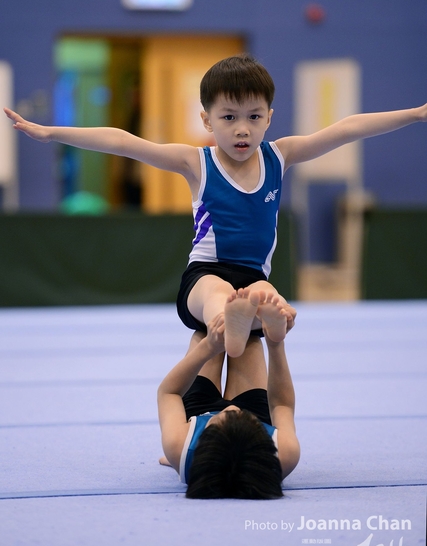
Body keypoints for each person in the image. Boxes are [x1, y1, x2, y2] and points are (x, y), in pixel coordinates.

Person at [5, 55, 427, 356]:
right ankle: (227, 321)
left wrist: (416, 113)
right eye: (229, 117)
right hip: (204, 276)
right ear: (206, 119)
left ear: (269, 117)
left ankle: (261, 320)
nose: (243, 129)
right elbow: (122, 141)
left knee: (265, 295)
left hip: (254, 276)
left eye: (254, 117)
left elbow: (348, 128)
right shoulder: (196, 162)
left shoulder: (280, 156)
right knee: (220, 295)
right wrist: (51, 133)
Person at [157, 288, 300, 499]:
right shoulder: (284, 453)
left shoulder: (179, 445)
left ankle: (224, 314)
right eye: (239, 413)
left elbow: (169, 392)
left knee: (209, 329)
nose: (231, 407)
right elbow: (281, 405)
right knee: (250, 340)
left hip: (199, 414)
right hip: (254, 421)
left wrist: (208, 347)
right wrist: (275, 343)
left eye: (224, 415)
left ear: (201, 441)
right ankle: (248, 321)